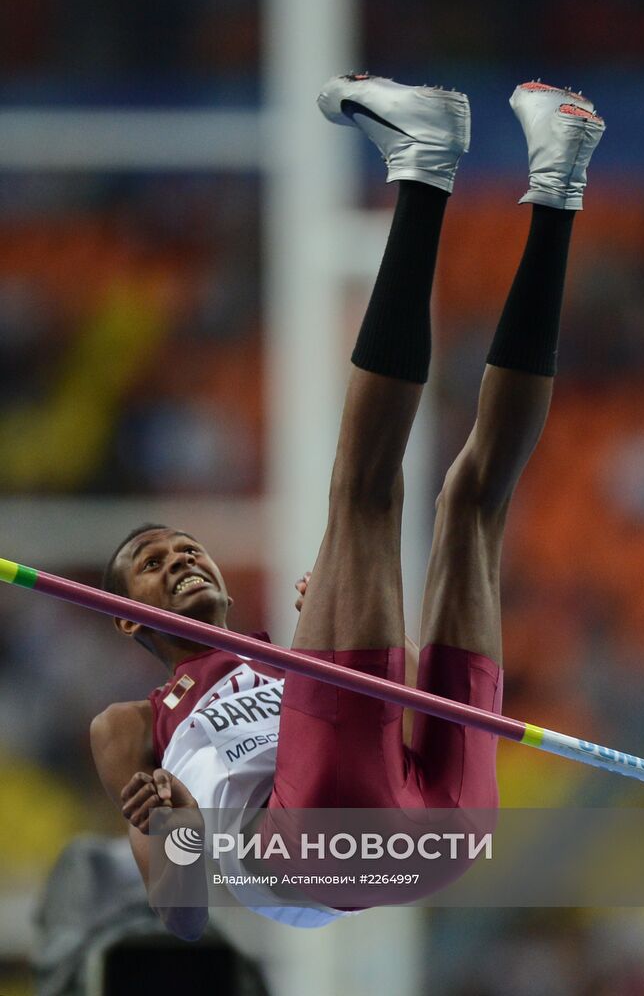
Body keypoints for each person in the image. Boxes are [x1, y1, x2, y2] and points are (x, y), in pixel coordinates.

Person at [90, 74, 605, 939]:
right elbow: (180, 919)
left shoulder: (291, 663)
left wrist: (321, 651)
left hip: (435, 827)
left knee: (472, 504)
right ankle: (422, 162)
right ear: (123, 616)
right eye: (152, 561)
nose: (181, 558)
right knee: (362, 495)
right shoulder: (131, 724)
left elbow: (346, 734)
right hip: (322, 841)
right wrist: (172, 824)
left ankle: (559, 176)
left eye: (187, 548)